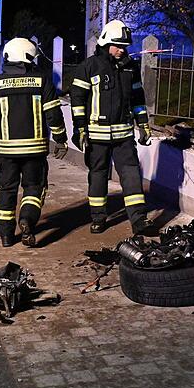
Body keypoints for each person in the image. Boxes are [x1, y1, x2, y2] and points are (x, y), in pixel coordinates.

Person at [0, 38, 68, 247]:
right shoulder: (42, 81)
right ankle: (27, 219)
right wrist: (61, 139)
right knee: (34, 187)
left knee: (6, 190)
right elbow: (53, 115)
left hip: (7, 150)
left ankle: (6, 236)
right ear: (28, 57)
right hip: (35, 149)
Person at [69, 20, 155, 236]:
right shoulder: (89, 67)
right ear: (106, 43)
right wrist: (80, 129)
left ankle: (139, 220)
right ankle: (98, 218)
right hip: (96, 135)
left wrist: (143, 123)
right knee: (98, 176)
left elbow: (137, 98)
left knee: (131, 175)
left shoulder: (130, 67)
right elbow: (77, 100)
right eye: (118, 45)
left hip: (124, 135)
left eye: (125, 46)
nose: (122, 50)